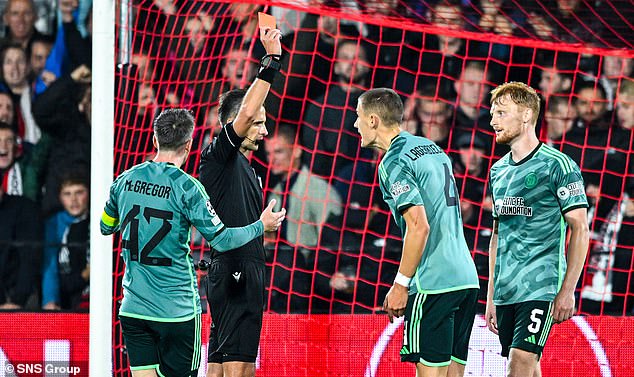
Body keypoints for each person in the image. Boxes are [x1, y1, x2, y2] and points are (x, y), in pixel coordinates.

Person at [100, 108, 285, 377]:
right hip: (177, 310)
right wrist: (261, 226)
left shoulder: (124, 181)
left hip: (134, 307)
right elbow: (222, 239)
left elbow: (107, 226)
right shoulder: (188, 188)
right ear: (188, 144)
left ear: (154, 140)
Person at [354, 88, 479, 377]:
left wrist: (401, 285)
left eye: (358, 117)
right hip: (466, 279)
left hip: (433, 282)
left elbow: (419, 226)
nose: (355, 124)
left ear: (373, 120)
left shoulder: (393, 161)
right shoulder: (432, 148)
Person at [485, 82, 590, 376]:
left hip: (541, 285)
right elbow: (496, 236)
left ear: (527, 115)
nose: (493, 120)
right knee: (529, 366)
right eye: (493, 113)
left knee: (520, 362)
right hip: (506, 289)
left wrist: (567, 291)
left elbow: (580, 229)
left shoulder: (558, 166)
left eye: (502, 113)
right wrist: (492, 293)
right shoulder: (497, 170)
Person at [197, 27, 282, 377]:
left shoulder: (246, 168)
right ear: (236, 123)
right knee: (241, 368)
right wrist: (271, 62)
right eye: (257, 123)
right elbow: (246, 112)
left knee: (218, 366)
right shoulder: (220, 158)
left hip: (236, 271)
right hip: (234, 269)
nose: (263, 130)